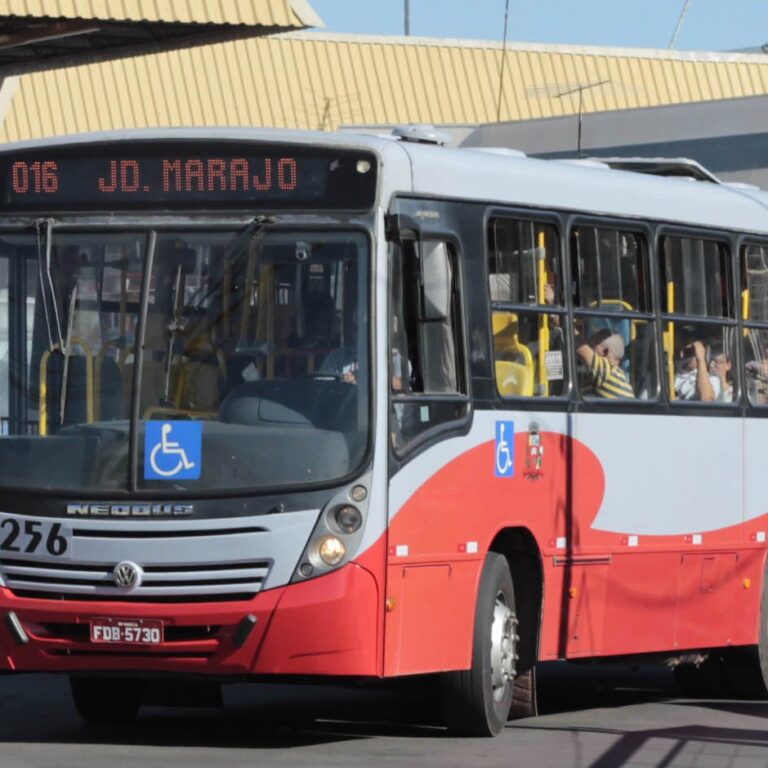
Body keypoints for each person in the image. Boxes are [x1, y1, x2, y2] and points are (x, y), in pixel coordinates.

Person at [575, 328, 634, 399]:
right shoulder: (616, 377)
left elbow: (580, 347)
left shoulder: (607, 371)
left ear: (605, 352)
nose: (590, 350)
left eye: (592, 347)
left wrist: (564, 321)